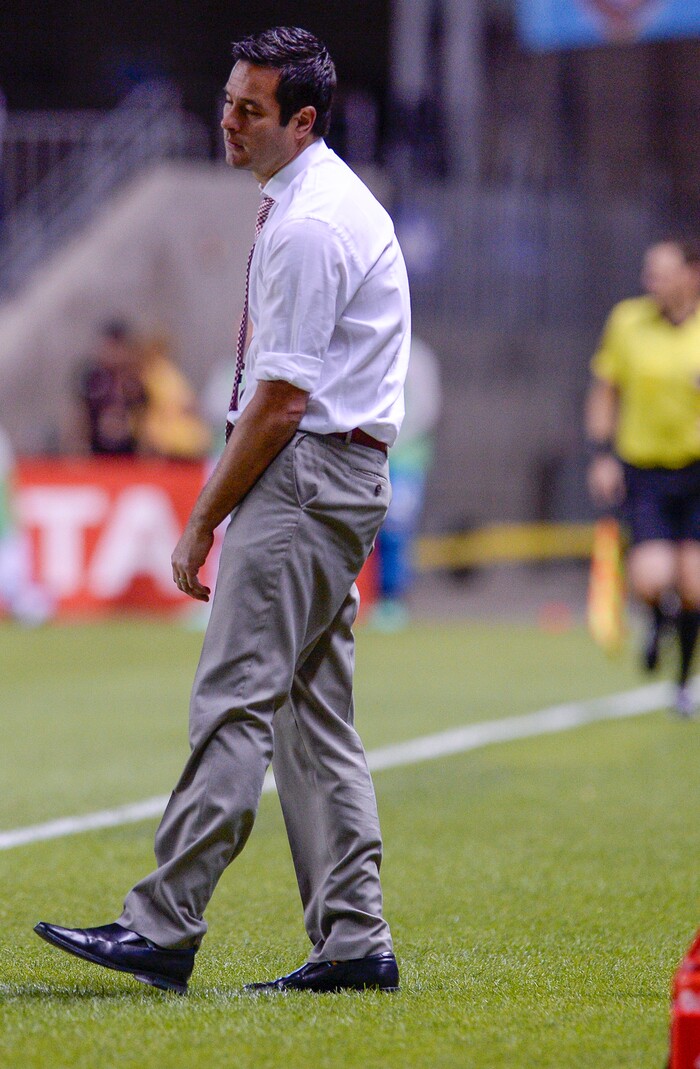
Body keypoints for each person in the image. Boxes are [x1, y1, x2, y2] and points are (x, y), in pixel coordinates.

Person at [35, 27, 410, 996]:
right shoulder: (321, 204)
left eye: (250, 109)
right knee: (312, 717)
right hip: (337, 478)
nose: (228, 122)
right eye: (229, 101)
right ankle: (354, 939)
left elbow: (282, 398)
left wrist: (205, 512)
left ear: (302, 120)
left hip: (302, 475)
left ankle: (162, 924)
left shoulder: (307, 225)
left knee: (236, 701)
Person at [585, 239, 700, 717]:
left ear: (691, 275)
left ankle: (681, 684)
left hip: (696, 470)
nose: (651, 282)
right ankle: (656, 622)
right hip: (646, 468)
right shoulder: (628, 321)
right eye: (648, 272)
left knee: (695, 585)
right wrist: (602, 454)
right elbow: (606, 390)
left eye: (662, 273)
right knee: (652, 578)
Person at [371, 335, 442, 630]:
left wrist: (389, 439)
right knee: (369, 529)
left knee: (397, 529)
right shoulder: (369, 348)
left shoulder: (418, 356)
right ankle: (373, 598)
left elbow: (427, 409)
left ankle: (394, 600)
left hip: (405, 460)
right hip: (372, 457)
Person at [69, 320, 147, 456]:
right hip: (96, 452)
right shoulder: (92, 377)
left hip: (129, 454)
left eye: (120, 347)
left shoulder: (135, 378)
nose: (115, 353)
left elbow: (145, 415)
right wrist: (77, 446)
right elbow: (79, 414)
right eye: (110, 347)